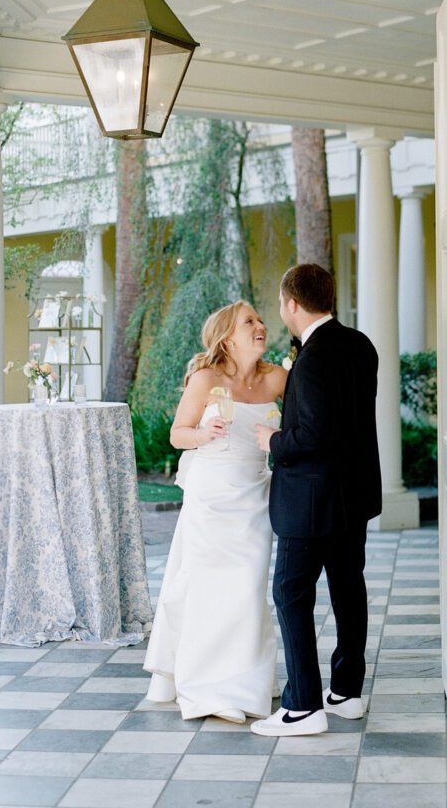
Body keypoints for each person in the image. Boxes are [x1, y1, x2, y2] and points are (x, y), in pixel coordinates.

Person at [251, 263, 382, 737]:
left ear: (292, 304)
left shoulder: (314, 357)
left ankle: (303, 705)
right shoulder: (359, 344)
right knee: (349, 589)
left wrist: (273, 440)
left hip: (310, 501)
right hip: (354, 495)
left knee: (290, 593)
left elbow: (313, 434)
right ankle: (346, 693)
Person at [143, 300, 287, 723]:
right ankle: (208, 690)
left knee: (246, 589)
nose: (261, 326)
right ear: (228, 337)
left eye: (261, 319)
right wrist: (204, 433)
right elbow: (177, 435)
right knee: (210, 589)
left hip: (254, 495)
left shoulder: (279, 379)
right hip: (211, 494)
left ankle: (245, 683)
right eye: (250, 322)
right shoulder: (206, 379)